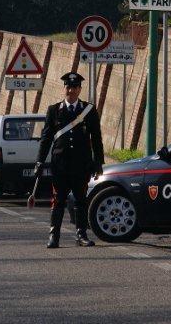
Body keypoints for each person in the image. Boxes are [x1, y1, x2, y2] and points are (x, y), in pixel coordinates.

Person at [34, 71, 104, 248]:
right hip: (61, 165)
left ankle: (81, 234)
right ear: (64, 88)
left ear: (80, 89)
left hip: (81, 165)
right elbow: (46, 138)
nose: (71, 91)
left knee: (81, 200)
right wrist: (39, 161)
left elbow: (96, 138)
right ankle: (53, 236)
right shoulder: (54, 110)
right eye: (68, 87)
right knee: (58, 201)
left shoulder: (88, 110)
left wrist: (99, 162)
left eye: (74, 87)